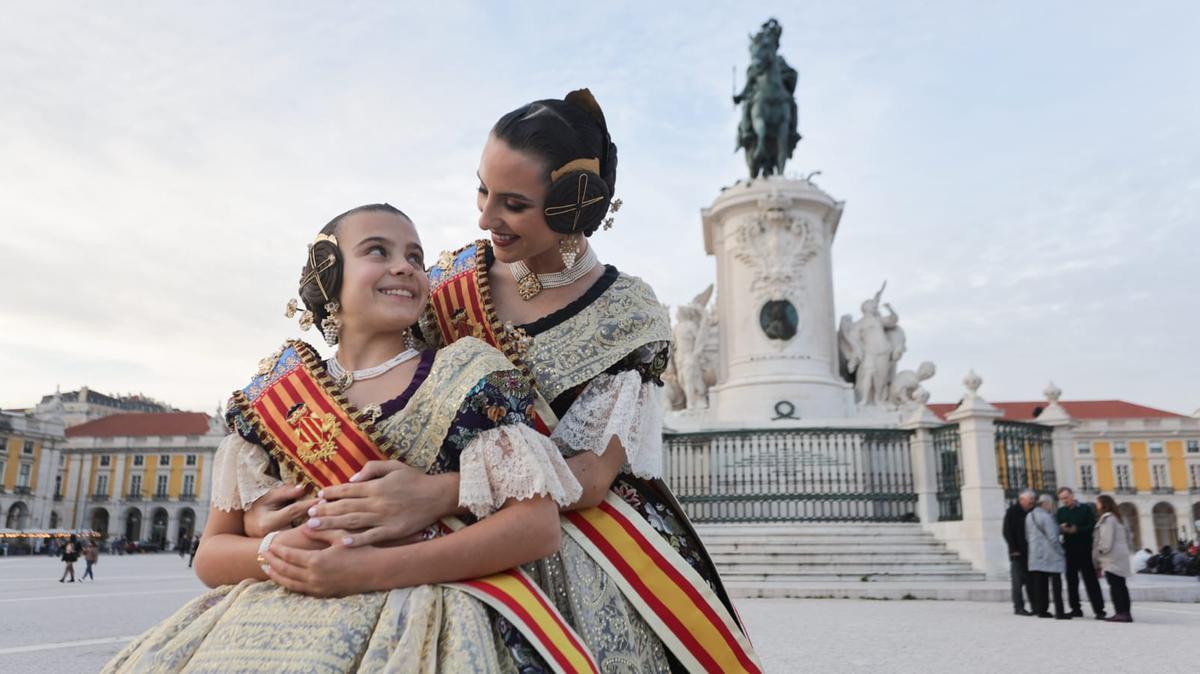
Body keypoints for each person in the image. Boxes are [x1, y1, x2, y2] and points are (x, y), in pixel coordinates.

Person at [267, 90, 760, 671]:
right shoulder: (445, 282)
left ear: (574, 207)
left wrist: (435, 495)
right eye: (481, 189)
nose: (484, 218)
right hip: (438, 540)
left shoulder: (628, 312)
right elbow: (387, 398)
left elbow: (593, 476)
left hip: (579, 543)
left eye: (513, 203)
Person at [104, 204, 588, 672]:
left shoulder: (468, 372)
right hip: (280, 610)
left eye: (416, 257)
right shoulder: (272, 399)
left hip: (426, 608)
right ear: (328, 277)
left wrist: (368, 570)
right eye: (378, 251)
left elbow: (535, 526)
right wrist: (288, 546)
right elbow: (211, 556)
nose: (404, 267)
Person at [1055, 486, 1106, 618]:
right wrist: (1061, 529)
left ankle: (1099, 610)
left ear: (1072, 495)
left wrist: (1076, 530)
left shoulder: (1085, 509)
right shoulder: (1061, 511)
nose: (1064, 501)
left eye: (1066, 498)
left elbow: (1091, 526)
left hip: (1085, 550)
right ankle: (1075, 608)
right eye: (1061, 499)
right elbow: (1056, 527)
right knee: (1071, 581)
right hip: (1069, 550)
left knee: (1091, 581)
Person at [1026, 494, 1069, 619]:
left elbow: (1027, 536)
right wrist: (1061, 551)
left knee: (1040, 585)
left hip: (1035, 555)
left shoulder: (1029, 516)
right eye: (1051, 504)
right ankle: (1059, 612)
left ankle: (1041, 610)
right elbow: (1053, 538)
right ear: (1045, 504)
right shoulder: (1047, 517)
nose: (1052, 507)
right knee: (1056, 586)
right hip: (1051, 556)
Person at [1093, 494, 1134, 622]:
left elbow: (1106, 540)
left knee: (1115, 586)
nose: (1097, 506)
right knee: (1121, 585)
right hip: (1120, 556)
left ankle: (1120, 612)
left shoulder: (1107, 519)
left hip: (1111, 557)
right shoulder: (1117, 518)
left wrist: (1100, 552)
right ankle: (1126, 612)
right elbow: (1128, 538)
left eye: (1098, 503)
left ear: (1103, 504)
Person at [1002, 489, 1036, 615]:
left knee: (1031, 581)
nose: (1032, 502)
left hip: (1031, 552)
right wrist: (1013, 549)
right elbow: (1007, 532)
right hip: (1017, 552)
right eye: (1030, 500)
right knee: (1017, 582)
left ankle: (1035, 606)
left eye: (1033, 499)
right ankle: (1018, 607)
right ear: (1022, 500)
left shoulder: (1033, 511)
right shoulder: (1012, 512)